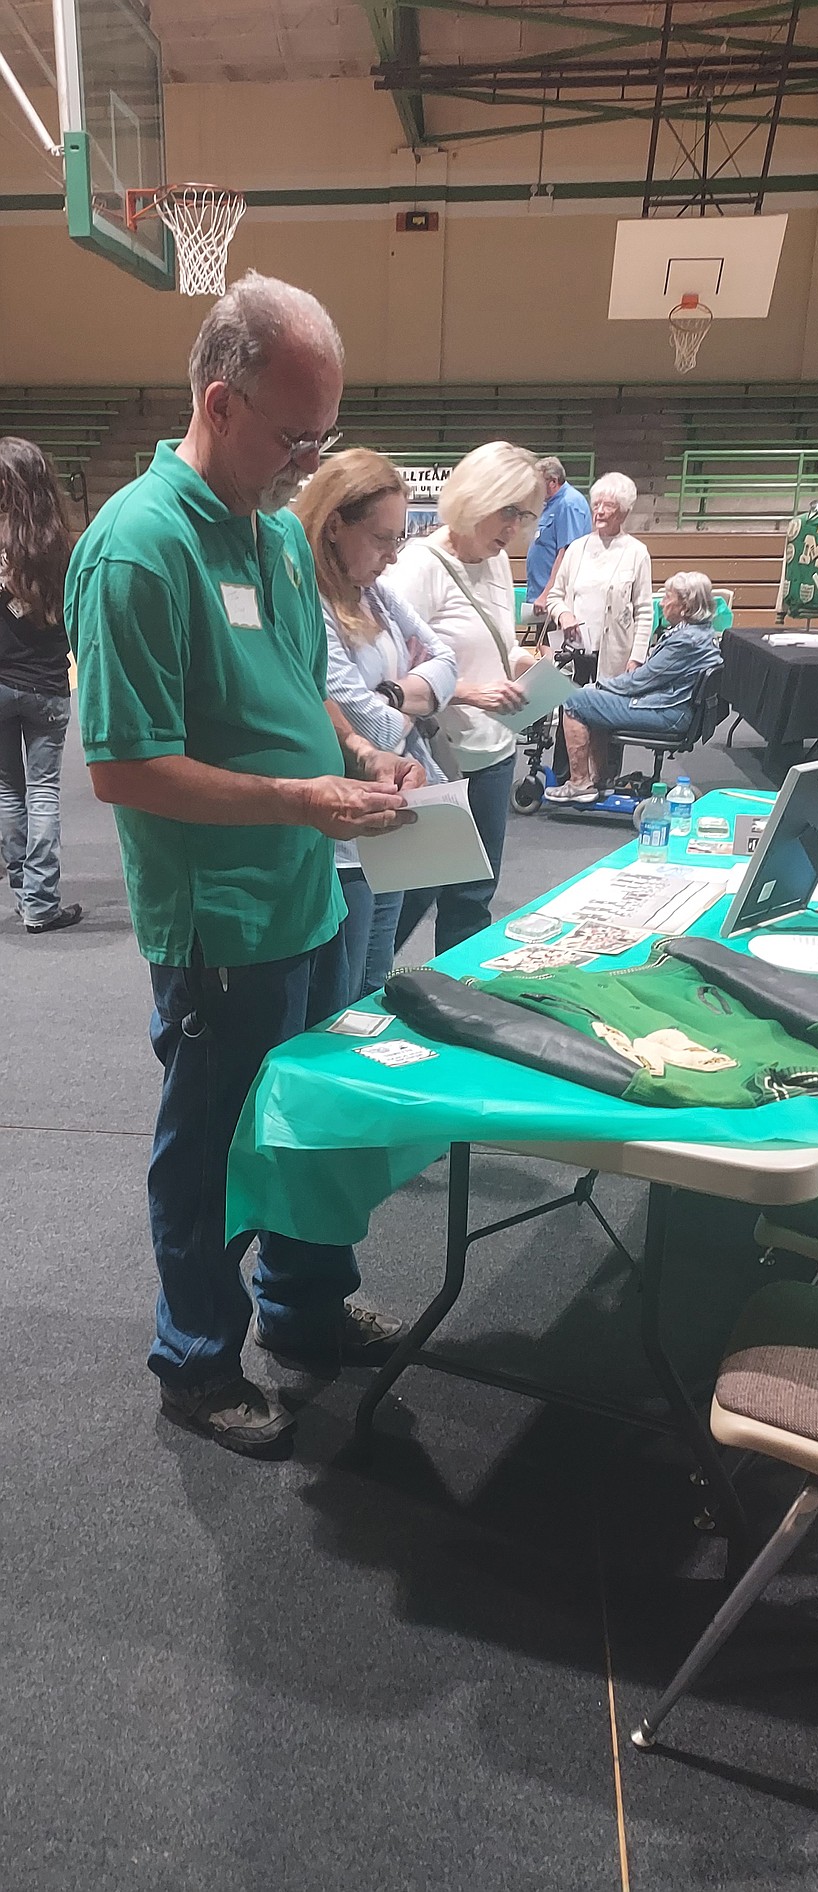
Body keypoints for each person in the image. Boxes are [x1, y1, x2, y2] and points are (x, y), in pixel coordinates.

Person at [66, 272, 425, 1458]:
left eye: (321, 433)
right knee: (212, 1148)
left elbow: (293, 689)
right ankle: (197, 1358)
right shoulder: (138, 549)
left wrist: (361, 749)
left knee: (313, 1118)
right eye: (292, 433)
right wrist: (293, 795)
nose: (305, 458)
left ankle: (304, 1310)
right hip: (217, 917)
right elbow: (124, 767)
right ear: (220, 403)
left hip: (308, 888)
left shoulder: (271, 535)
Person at [293, 449, 458, 996]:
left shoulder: (376, 595)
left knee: (374, 978)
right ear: (335, 526)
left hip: (394, 808)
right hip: (347, 833)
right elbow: (370, 726)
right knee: (342, 994)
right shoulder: (308, 601)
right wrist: (412, 699)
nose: (392, 556)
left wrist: (389, 696)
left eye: (399, 540)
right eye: (383, 539)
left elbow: (447, 664)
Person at [387, 440, 542, 955]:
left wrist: (524, 664)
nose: (515, 529)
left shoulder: (495, 562)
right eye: (509, 512)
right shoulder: (418, 567)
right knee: (409, 899)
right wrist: (472, 692)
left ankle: (457, 1004)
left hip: (494, 751)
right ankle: (357, 1010)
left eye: (526, 515)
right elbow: (389, 677)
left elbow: (499, 643)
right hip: (435, 757)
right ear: (477, 497)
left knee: (473, 897)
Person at [545, 571, 722, 804]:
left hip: (668, 712)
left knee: (574, 699)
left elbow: (642, 680)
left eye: (668, 597)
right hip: (674, 707)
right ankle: (602, 778)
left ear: (685, 606)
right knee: (593, 700)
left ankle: (579, 783)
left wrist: (601, 684)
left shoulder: (685, 641)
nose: (663, 603)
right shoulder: (702, 633)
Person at [0, 437, 82, 934]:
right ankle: (41, 902)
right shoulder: (63, 547)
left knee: (8, 791)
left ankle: (19, 889)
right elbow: (73, 619)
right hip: (48, 685)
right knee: (43, 792)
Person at [544, 472, 653, 684]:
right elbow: (554, 596)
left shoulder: (637, 552)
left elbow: (644, 611)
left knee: (607, 712)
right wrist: (564, 615)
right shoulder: (576, 548)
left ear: (623, 512)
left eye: (609, 506)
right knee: (571, 710)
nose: (600, 512)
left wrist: (637, 658)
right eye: (596, 505)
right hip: (575, 652)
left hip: (615, 657)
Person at [525, 455, 592, 614]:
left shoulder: (569, 504)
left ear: (553, 482)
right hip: (542, 598)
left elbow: (568, 554)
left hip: (556, 601)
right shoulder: (550, 504)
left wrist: (547, 595)